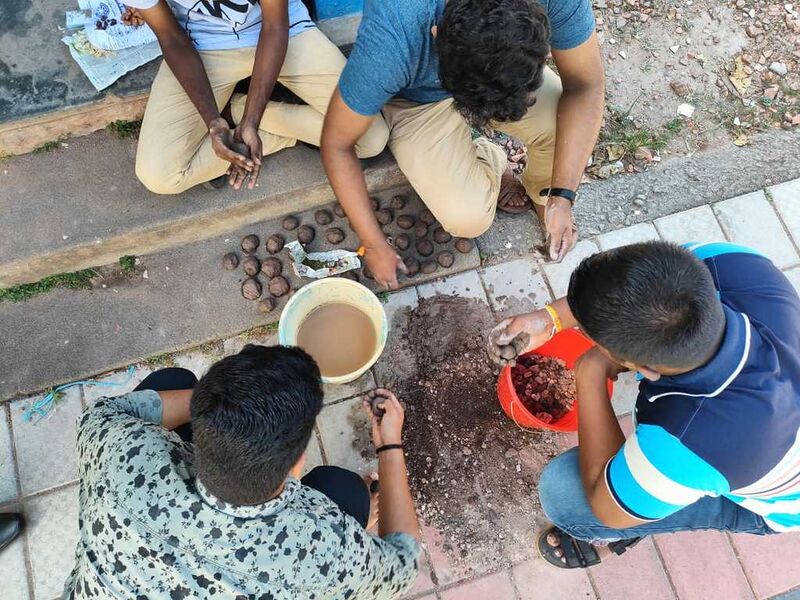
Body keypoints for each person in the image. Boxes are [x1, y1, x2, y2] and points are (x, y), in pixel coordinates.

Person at [488, 241, 800, 568]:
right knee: (661, 472)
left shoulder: (686, 439)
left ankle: (642, 513)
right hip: (764, 427)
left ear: (641, 367)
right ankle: (649, 493)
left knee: (566, 493)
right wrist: (548, 318)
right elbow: (632, 286)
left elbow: (604, 505)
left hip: (781, 501)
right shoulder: (731, 262)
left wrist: (589, 371)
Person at [65, 345, 420, 598]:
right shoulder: (318, 552)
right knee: (347, 493)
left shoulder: (121, 450)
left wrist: (218, 403)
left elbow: (111, 412)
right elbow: (404, 563)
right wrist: (389, 445)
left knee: (171, 380)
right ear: (296, 463)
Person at [321, 0, 604, 289]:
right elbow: (337, 144)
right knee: (468, 218)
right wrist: (373, 243)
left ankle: (544, 199)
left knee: (561, 126)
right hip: (417, 100)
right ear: (435, 34)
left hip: (503, 80)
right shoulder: (394, 35)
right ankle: (486, 154)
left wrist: (562, 195)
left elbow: (586, 85)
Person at [125, 0, 388, 194]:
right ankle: (240, 124)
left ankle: (236, 112)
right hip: (201, 43)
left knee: (371, 138)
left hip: (286, 30)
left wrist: (250, 119)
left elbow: (275, 25)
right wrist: (213, 122)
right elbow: (172, 39)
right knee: (159, 175)